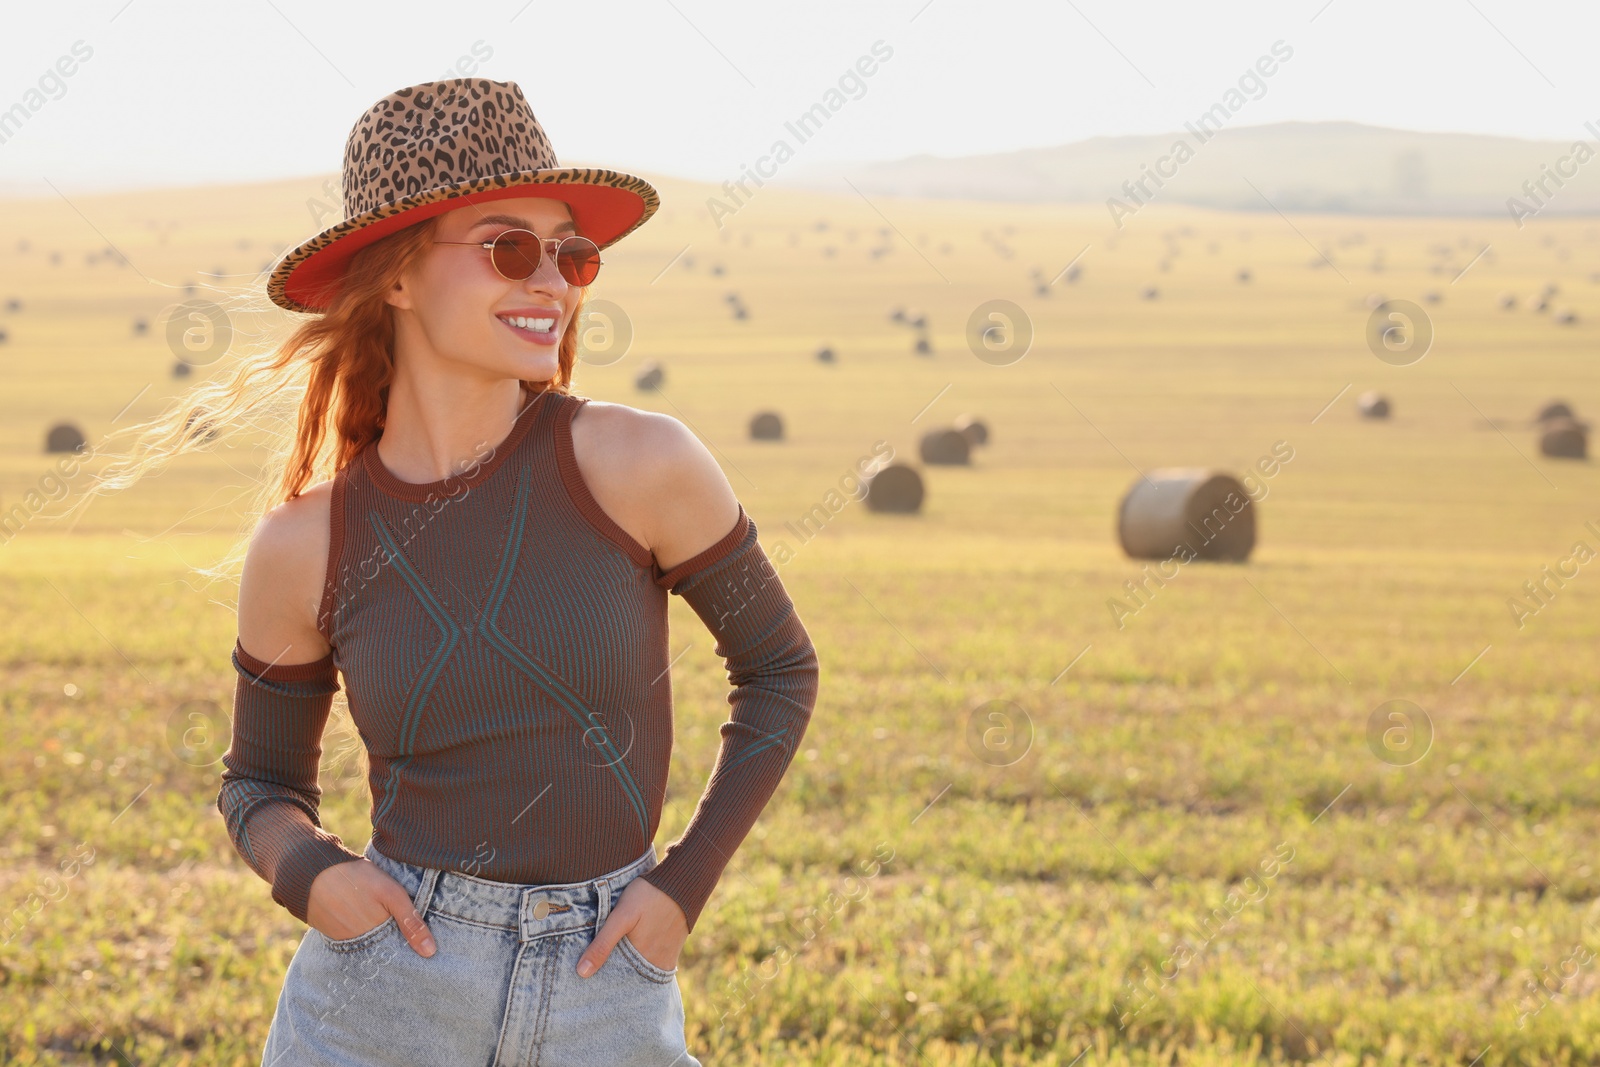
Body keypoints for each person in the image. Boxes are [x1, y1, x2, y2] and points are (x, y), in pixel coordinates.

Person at [208, 78, 819, 1065]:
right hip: (381, 996)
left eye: (573, 254)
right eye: (510, 248)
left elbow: (781, 670)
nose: (556, 283)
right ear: (397, 276)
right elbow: (259, 785)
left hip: (604, 986)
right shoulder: (304, 543)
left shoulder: (638, 463)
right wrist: (314, 876)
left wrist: (681, 886)